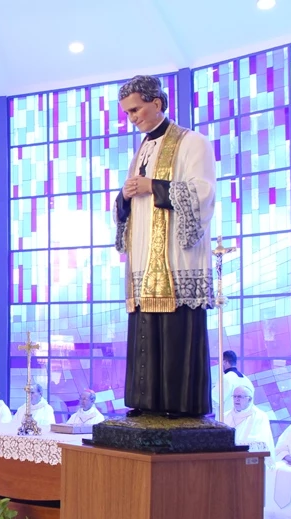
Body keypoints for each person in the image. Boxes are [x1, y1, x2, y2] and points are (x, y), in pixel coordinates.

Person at [114, 75, 216, 419]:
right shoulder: (142, 150)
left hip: (176, 257)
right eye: (127, 113)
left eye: (136, 110)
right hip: (144, 256)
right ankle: (146, 401)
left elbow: (203, 192)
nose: (132, 118)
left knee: (176, 331)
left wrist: (152, 186)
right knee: (145, 328)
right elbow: (132, 203)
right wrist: (124, 197)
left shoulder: (192, 142)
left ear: (157, 103)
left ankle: (180, 404)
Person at [223, 385, 274, 452]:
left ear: (249, 399)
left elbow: (261, 443)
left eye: (240, 396)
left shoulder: (260, 416)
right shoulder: (225, 416)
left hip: (249, 455)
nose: (236, 399)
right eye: (234, 396)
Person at [212, 351, 254, 417]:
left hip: (228, 419)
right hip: (245, 420)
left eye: (219, 362)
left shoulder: (226, 378)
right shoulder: (247, 380)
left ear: (225, 362)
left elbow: (214, 399)